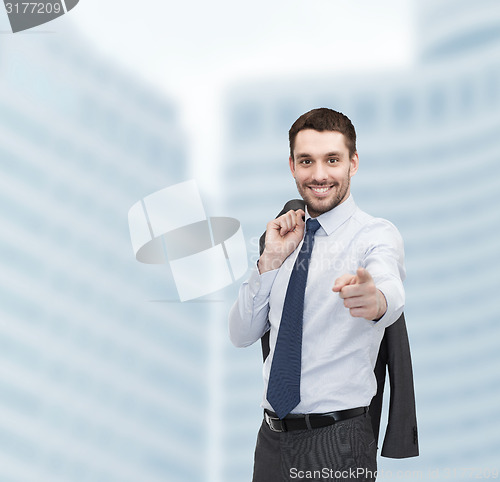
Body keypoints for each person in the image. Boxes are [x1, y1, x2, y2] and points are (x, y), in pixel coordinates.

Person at [228, 108, 406, 481]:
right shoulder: (282, 238)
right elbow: (241, 333)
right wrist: (271, 259)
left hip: (338, 441)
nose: (319, 174)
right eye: (307, 161)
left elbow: (388, 285)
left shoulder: (374, 234)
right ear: (292, 166)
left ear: (352, 163)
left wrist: (376, 301)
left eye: (332, 160)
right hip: (271, 439)